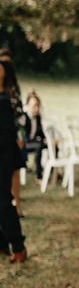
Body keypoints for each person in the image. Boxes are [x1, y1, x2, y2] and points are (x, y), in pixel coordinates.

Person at [0, 61, 27, 262]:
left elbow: (9, 133)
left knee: (3, 201)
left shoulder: (7, 98)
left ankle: (18, 247)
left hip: (4, 154)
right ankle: (2, 244)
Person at [0, 50, 26, 217]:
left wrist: (19, 135)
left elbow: (20, 116)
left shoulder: (12, 93)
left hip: (13, 137)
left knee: (15, 171)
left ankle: (16, 202)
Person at [24, 91, 47, 183]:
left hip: (34, 142)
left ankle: (52, 171)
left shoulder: (38, 117)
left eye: (38, 106)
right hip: (26, 144)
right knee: (39, 146)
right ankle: (38, 175)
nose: (36, 108)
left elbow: (40, 132)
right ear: (28, 106)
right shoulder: (24, 117)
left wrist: (48, 140)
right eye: (34, 106)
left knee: (53, 145)